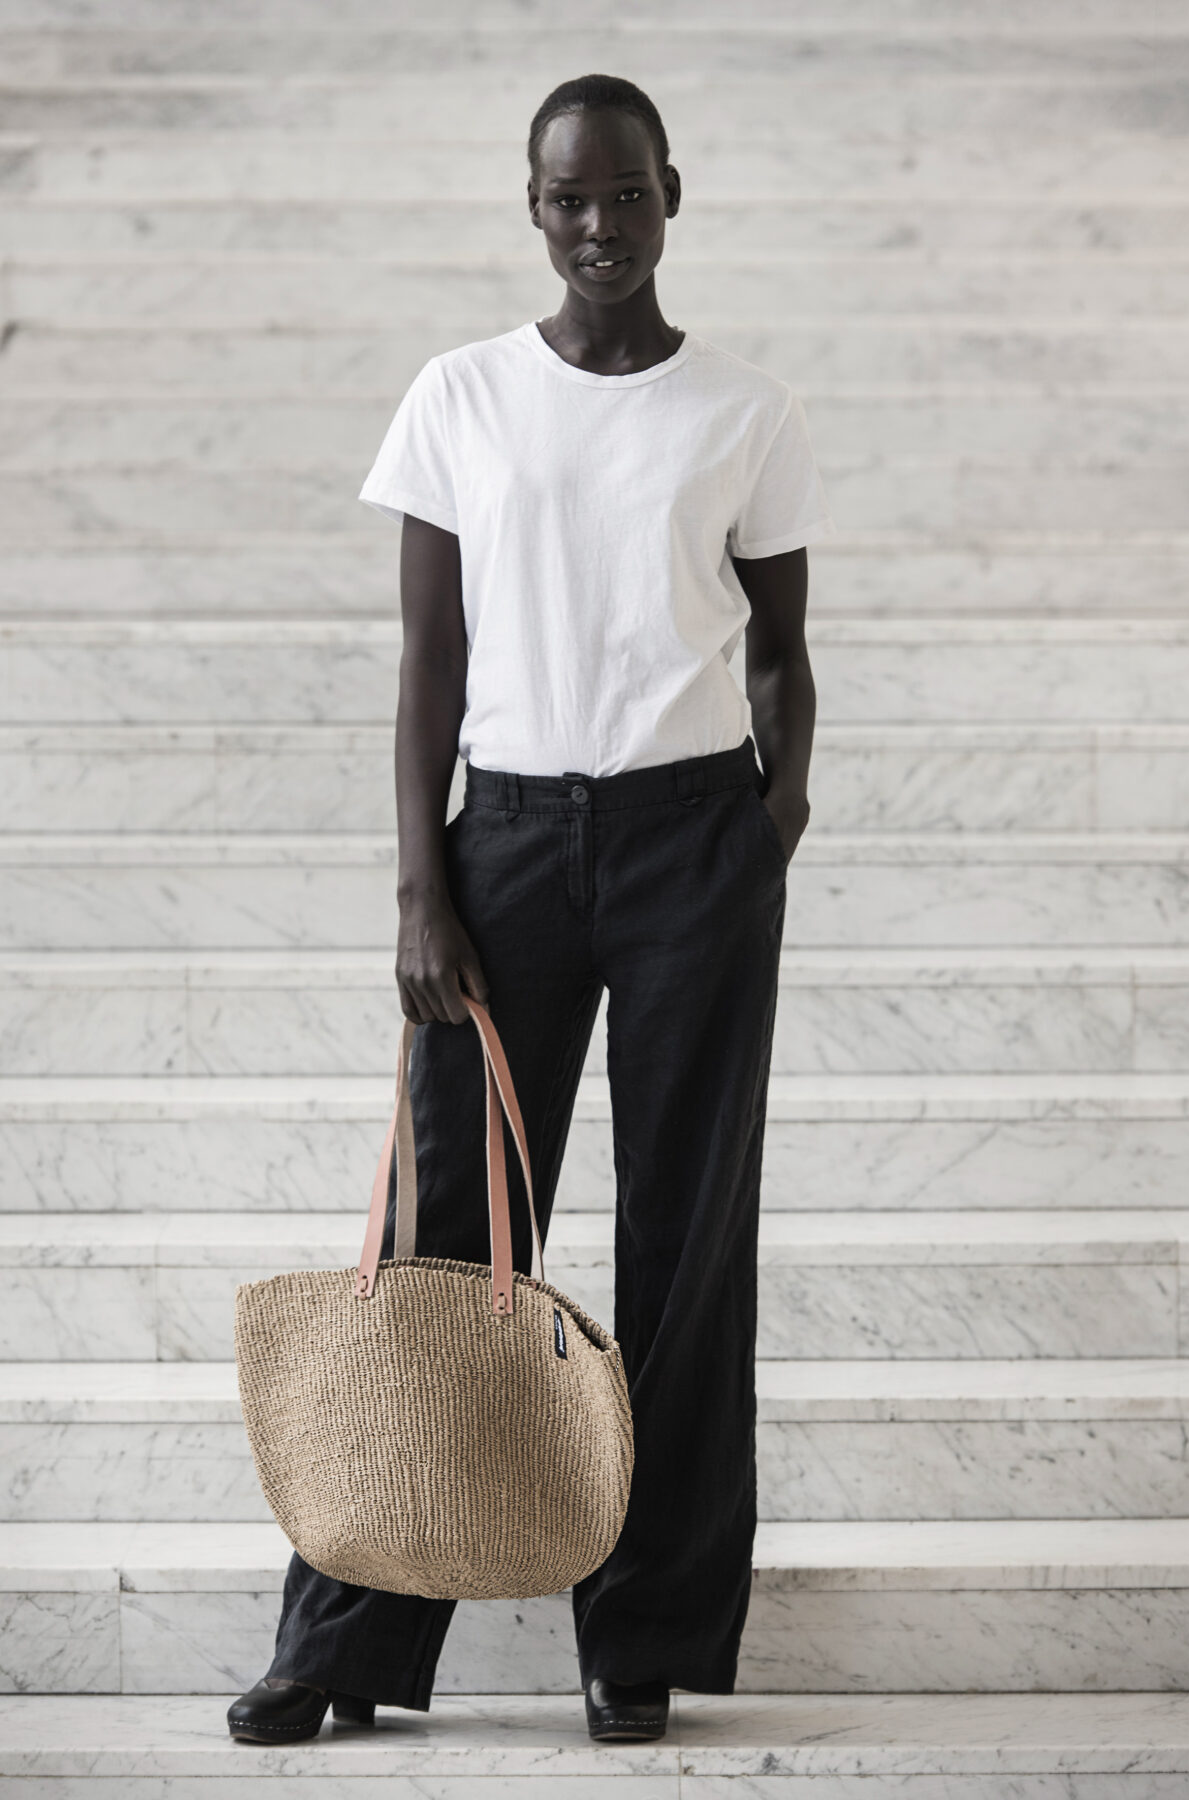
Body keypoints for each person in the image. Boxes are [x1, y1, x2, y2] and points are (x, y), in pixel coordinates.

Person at [228, 70, 835, 1748]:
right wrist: (420, 886)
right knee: (442, 1242)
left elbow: (783, 655)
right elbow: (430, 661)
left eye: (627, 194)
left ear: (672, 195)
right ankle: (346, 1637)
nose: (600, 226)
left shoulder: (747, 411)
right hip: (501, 848)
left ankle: (640, 1637)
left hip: (692, 843)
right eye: (571, 198)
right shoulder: (462, 395)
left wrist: (770, 827)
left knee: (688, 1245)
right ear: (533, 207)